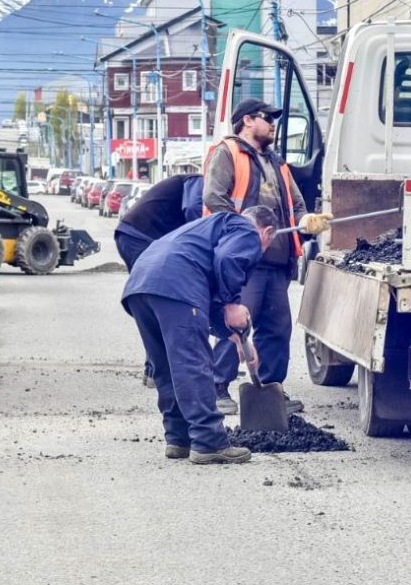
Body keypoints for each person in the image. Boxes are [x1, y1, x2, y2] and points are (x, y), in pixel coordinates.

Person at [203, 98, 332, 416]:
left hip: (277, 263)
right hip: (243, 260)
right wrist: (241, 232)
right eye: (267, 118)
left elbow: (296, 205)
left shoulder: (278, 164)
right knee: (237, 324)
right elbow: (212, 197)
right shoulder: (228, 152)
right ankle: (218, 387)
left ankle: (271, 392)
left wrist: (306, 223)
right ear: (247, 121)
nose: (273, 124)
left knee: (277, 328)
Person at [121, 205, 277, 464]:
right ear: (267, 232)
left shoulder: (210, 229)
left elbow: (209, 297)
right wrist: (233, 302)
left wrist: (236, 336)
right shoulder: (247, 230)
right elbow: (228, 260)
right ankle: (208, 441)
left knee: (166, 366)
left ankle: (178, 439)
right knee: (192, 363)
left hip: (142, 284)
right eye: (268, 244)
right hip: (176, 283)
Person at [114, 174, 203, 388]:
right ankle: (156, 370)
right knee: (157, 301)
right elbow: (192, 209)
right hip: (140, 237)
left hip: (133, 235)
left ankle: (153, 370)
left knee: (154, 303)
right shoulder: (198, 180)